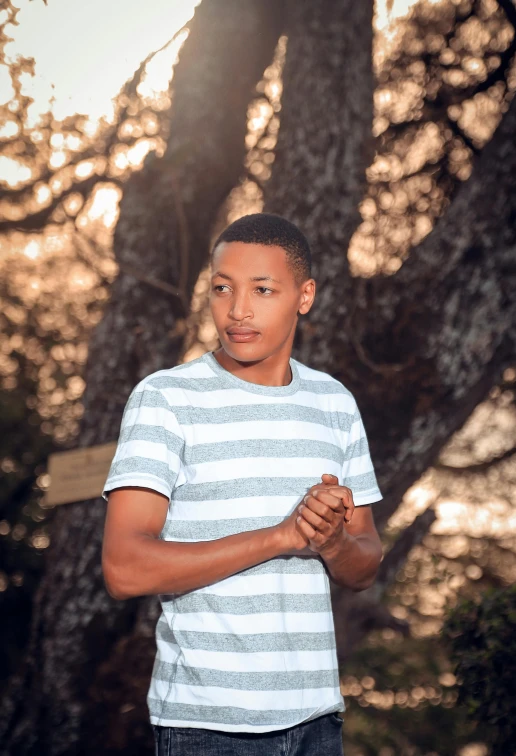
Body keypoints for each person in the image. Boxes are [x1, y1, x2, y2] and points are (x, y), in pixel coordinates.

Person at [101, 212, 383, 756]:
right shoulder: (165, 399)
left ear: (305, 296)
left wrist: (331, 542)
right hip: (206, 727)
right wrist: (280, 537)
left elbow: (365, 564)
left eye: (262, 289)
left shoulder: (335, 403)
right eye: (223, 288)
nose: (238, 311)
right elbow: (123, 568)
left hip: (317, 721)